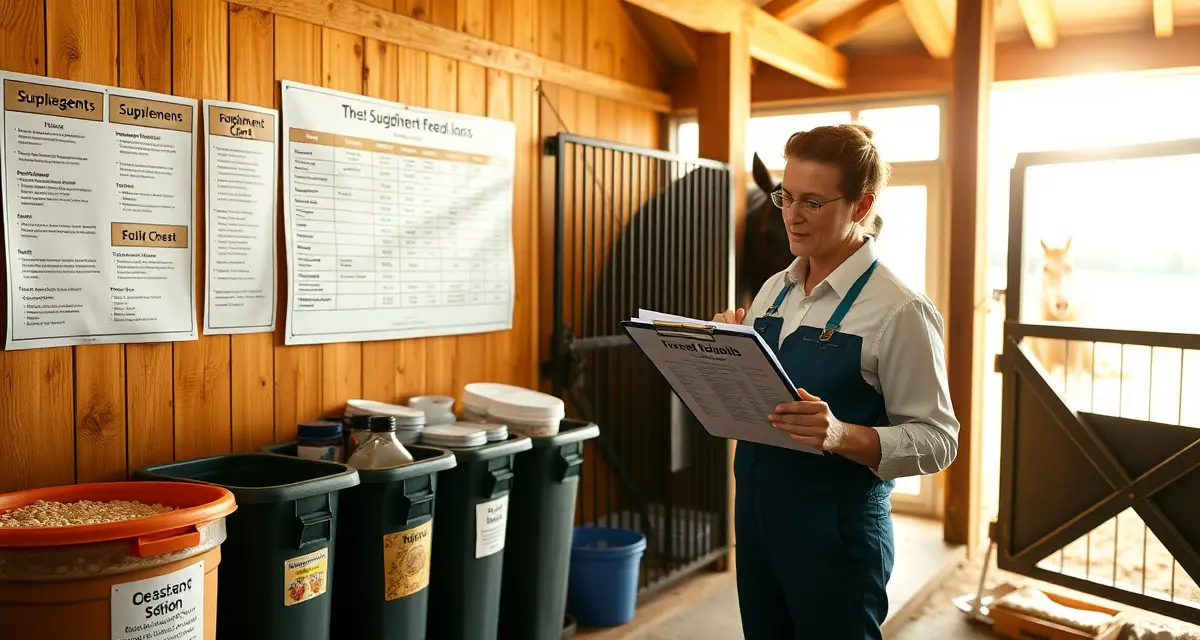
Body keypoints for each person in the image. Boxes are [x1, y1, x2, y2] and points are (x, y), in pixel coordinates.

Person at [714, 124, 959, 640]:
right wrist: (724, 353)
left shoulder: (900, 311)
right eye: (786, 196)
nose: (792, 215)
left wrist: (839, 434)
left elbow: (939, 441)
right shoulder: (772, 291)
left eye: (814, 202)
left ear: (861, 204)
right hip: (757, 520)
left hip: (837, 537)